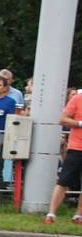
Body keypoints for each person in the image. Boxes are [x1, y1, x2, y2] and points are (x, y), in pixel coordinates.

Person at [45, 90, 82, 225]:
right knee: (63, 181)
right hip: (77, 147)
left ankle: (78, 215)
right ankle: (51, 213)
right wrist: (79, 123)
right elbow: (63, 119)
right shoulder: (78, 99)